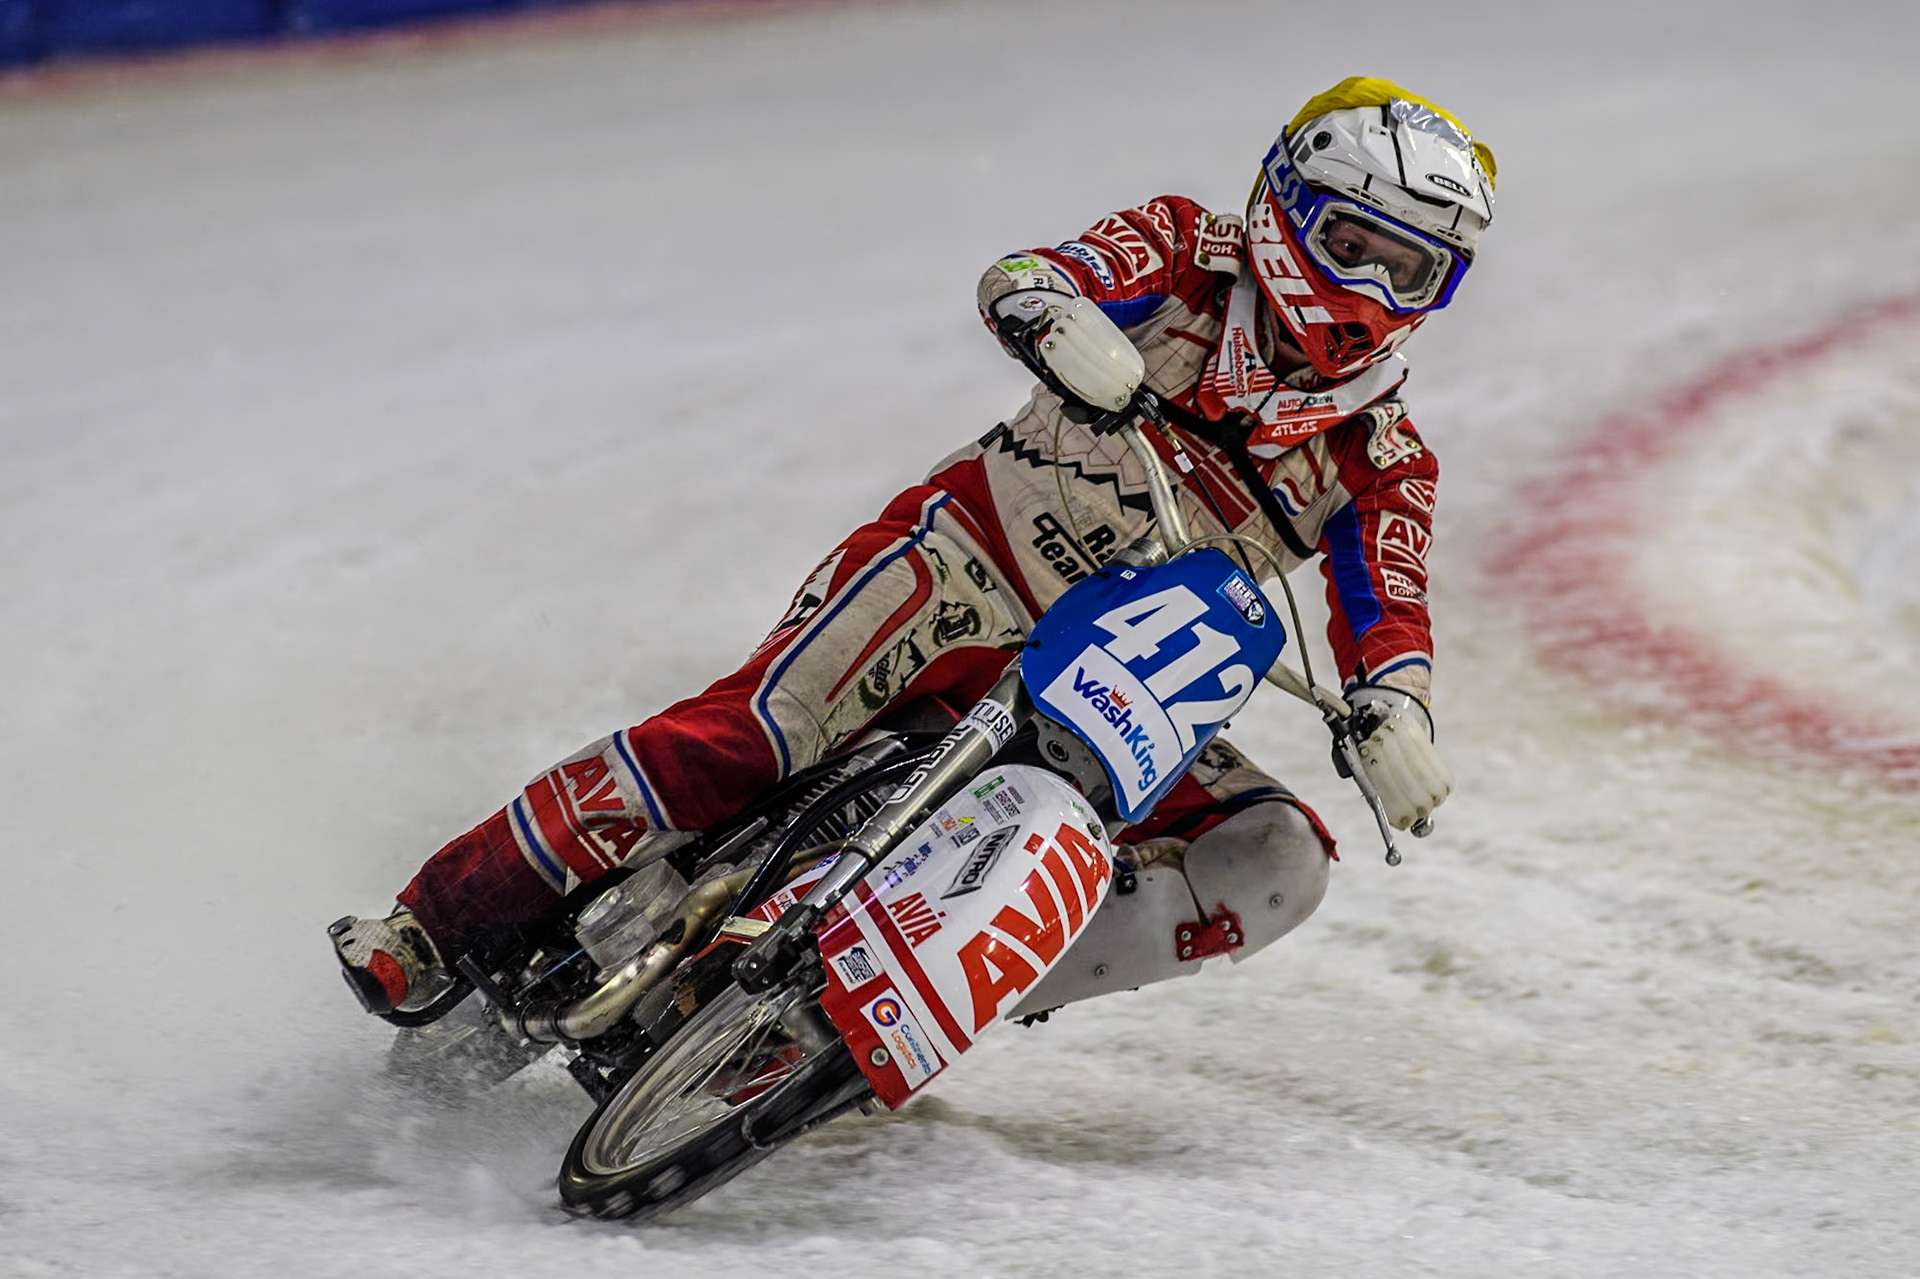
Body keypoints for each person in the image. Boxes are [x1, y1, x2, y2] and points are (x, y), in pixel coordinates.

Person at [331, 76, 1493, 1019]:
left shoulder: (1384, 457)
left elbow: (1388, 605)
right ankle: (431, 923)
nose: (1370, 291)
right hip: (961, 565)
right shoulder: (1189, 248)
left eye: (1412, 272)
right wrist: (1053, 313)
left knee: (1278, 857)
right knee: (752, 735)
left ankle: (921, 1004)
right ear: (1284, 204)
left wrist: (1395, 708)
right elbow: (1034, 274)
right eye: (1352, 242)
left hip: (1119, 686)